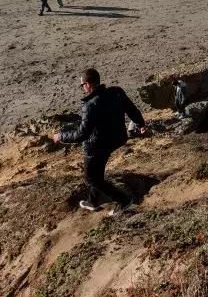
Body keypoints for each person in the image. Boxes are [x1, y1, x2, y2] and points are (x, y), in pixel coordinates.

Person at [52, 68, 147, 214]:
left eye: (82, 85)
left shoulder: (90, 105)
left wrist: (61, 137)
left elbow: (82, 134)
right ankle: (92, 201)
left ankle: (123, 200)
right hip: (116, 139)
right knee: (97, 173)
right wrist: (140, 123)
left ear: (88, 84)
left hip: (96, 146)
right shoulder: (116, 93)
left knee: (90, 178)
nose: (82, 88)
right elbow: (131, 109)